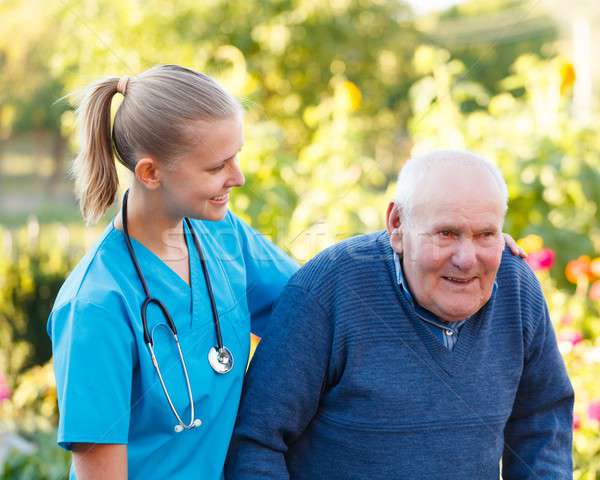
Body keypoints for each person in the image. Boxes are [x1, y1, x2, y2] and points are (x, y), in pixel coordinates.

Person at [225, 150, 574, 479]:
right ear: (397, 225)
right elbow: (256, 441)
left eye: (485, 234)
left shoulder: (515, 286)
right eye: (446, 233)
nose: (467, 259)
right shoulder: (330, 288)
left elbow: (542, 417)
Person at [47, 65, 298, 479]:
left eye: (237, 156)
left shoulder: (224, 236)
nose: (238, 177)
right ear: (150, 172)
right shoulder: (95, 306)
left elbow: (310, 312)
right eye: (217, 167)